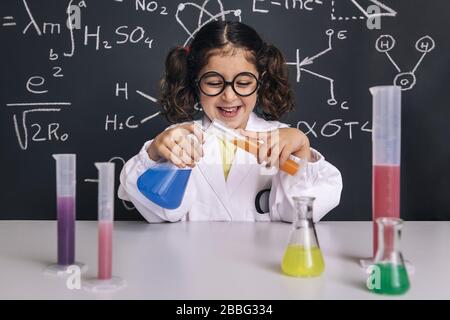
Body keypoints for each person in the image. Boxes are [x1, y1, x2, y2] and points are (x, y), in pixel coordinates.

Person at [118, 20, 342, 223]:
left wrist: (302, 150)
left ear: (260, 81)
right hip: (193, 263)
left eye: (243, 83)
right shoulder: (181, 141)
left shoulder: (281, 139)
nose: (229, 96)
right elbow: (161, 213)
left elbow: (298, 213)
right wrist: (155, 153)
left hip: (260, 263)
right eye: (214, 83)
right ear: (196, 82)